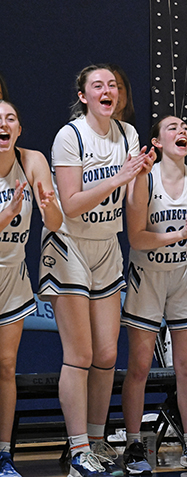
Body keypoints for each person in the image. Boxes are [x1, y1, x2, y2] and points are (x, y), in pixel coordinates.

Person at [38, 65, 152, 477]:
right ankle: (78, 449)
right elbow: (70, 204)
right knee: (81, 354)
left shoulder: (128, 135)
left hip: (107, 246)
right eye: (98, 86)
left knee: (107, 353)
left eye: (114, 86)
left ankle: (98, 439)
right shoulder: (70, 136)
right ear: (84, 96)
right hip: (69, 246)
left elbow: (132, 200)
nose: (108, 91)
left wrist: (141, 176)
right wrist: (121, 175)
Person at [120, 115, 187, 474]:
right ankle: (132, 445)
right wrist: (177, 236)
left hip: (186, 275)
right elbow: (137, 238)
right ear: (157, 142)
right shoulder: (145, 180)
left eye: (186, 128)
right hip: (148, 275)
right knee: (140, 365)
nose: (183, 132)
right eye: (173, 128)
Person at [0, 100, 62, 477]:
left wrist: (49, 205)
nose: (3, 125)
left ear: (19, 130)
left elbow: (54, 221)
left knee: (7, 365)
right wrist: (6, 215)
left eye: (10, 119)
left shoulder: (32, 160)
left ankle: (4, 453)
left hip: (11, 277)